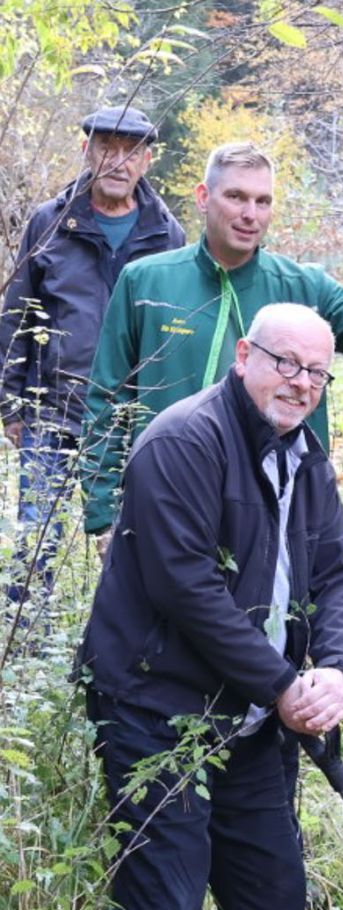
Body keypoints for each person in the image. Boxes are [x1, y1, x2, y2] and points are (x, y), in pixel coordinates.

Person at [77, 304, 343, 910]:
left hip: (253, 719)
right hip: (157, 709)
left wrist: (337, 674)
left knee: (271, 892)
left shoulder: (305, 454)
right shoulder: (183, 443)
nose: (300, 384)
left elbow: (338, 572)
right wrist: (283, 684)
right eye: (286, 364)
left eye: (317, 373)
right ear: (245, 357)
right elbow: (186, 588)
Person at [80, 141, 343, 545]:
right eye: (236, 197)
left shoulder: (301, 285)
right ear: (204, 197)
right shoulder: (145, 281)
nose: (250, 214)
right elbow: (106, 397)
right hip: (167, 493)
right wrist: (103, 518)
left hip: (275, 502)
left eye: (262, 201)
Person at [0, 105, 183, 604]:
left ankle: (118, 655)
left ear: (148, 160)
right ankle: (24, 657)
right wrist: (11, 405)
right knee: (37, 541)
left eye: (131, 151)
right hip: (53, 412)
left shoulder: (167, 234)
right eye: (106, 147)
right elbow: (18, 313)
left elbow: (175, 330)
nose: (117, 162)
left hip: (133, 421)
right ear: (87, 151)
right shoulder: (50, 222)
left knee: (133, 545)